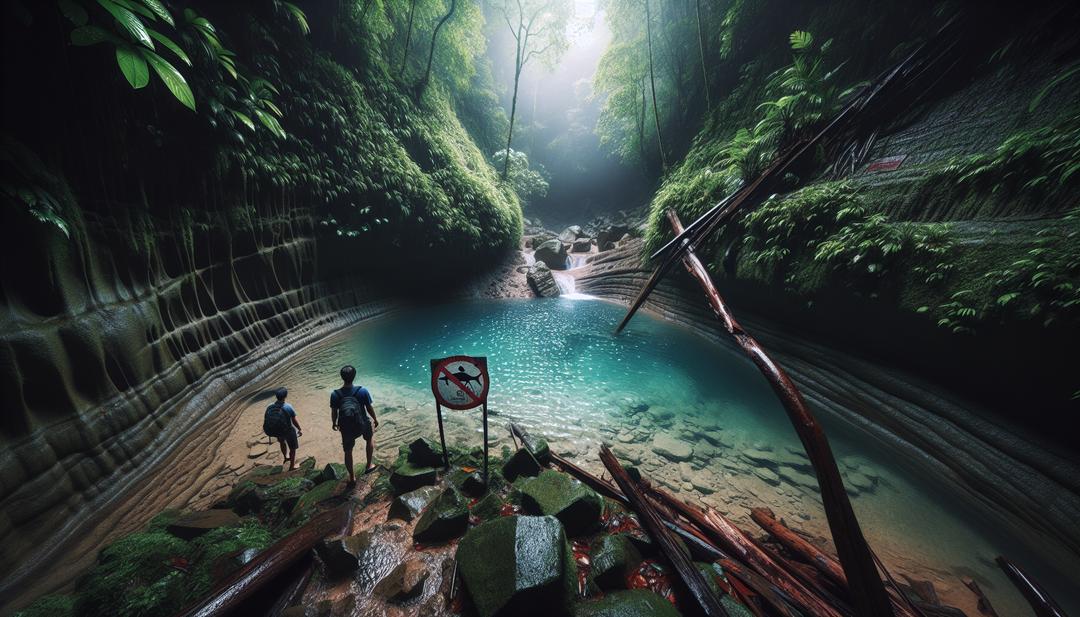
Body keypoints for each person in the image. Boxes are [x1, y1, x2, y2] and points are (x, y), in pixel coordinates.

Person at [330, 365, 378, 485]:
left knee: (348, 450)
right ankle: (368, 465)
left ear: (342, 377)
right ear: (354, 376)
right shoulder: (362, 391)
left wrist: (334, 423)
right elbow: (369, 408)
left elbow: (334, 411)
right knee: (369, 438)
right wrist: (375, 419)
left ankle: (352, 477)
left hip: (346, 427)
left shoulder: (335, 394)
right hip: (362, 423)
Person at [265, 387, 302, 470]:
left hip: (277, 430)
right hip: (288, 431)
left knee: (282, 442)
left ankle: (285, 457)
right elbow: (294, 420)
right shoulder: (288, 406)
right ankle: (292, 466)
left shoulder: (270, 406)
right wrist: (299, 429)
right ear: (286, 396)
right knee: (292, 448)